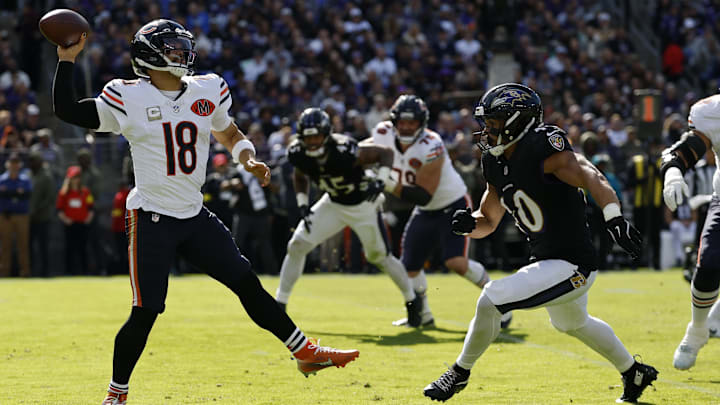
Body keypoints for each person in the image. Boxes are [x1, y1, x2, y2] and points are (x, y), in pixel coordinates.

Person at [51, 20, 358, 405]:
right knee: (146, 311)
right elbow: (66, 109)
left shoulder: (206, 88)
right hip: (152, 216)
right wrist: (66, 60)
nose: (183, 54)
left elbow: (229, 133)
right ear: (151, 54)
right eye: (174, 48)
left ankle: (303, 351)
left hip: (194, 214)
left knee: (246, 281)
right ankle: (117, 393)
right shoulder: (128, 96)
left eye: (182, 47)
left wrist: (248, 158)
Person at [423, 84, 657, 403]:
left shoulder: (543, 147)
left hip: (573, 265)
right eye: (486, 122)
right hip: (547, 261)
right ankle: (634, 372)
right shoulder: (494, 161)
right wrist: (470, 225)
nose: (487, 130)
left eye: (494, 122)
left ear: (518, 122)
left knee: (491, 299)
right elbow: (488, 220)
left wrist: (614, 217)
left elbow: (589, 174)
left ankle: (459, 373)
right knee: (572, 323)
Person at [368, 95, 508, 328]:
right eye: (401, 121)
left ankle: (501, 305)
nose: (405, 127)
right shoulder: (382, 133)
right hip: (425, 209)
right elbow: (364, 153)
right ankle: (423, 315)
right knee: (409, 266)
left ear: (421, 123)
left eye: (411, 122)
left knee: (456, 262)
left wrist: (385, 182)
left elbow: (425, 193)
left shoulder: (431, 143)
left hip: (451, 203)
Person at [274, 107, 423, 325]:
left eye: (317, 136)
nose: (313, 142)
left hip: (363, 206)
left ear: (326, 134)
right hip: (333, 204)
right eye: (308, 137)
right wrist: (303, 203)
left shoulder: (344, 149)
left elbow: (385, 154)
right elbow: (300, 174)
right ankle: (280, 304)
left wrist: (381, 181)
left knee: (380, 258)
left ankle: (413, 302)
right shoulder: (298, 152)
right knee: (297, 245)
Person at [661, 91, 720, 371]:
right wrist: (673, 170)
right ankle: (697, 329)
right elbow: (690, 147)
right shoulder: (712, 111)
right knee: (708, 267)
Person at [56, 165, 94, 275]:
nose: (76, 180)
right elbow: (59, 209)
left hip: (83, 224)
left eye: (77, 177)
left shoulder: (85, 192)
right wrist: (66, 220)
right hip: (70, 225)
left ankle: (85, 271)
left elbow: (91, 207)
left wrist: (88, 219)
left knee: (83, 248)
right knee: (69, 248)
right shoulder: (63, 193)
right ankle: (69, 271)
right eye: (73, 177)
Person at [0, 152, 31, 277]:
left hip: (22, 215)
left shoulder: (25, 179)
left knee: (23, 244)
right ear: (8, 165)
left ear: (19, 165)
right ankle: (4, 273)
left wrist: (8, 194)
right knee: (5, 245)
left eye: (16, 163)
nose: (14, 166)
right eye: (12, 163)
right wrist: (16, 194)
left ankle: (25, 272)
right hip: (5, 216)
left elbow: (26, 195)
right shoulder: (2, 179)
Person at [28, 151, 55, 276]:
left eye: (34, 161)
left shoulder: (46, 176)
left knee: (43, 245)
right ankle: (31, 270)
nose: (32, 163)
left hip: (43, 217)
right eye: (31, 161)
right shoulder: (27, 175)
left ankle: (45, 271)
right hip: (29, 217)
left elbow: (49, 197)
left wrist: (37, 209)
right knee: (29, 246)